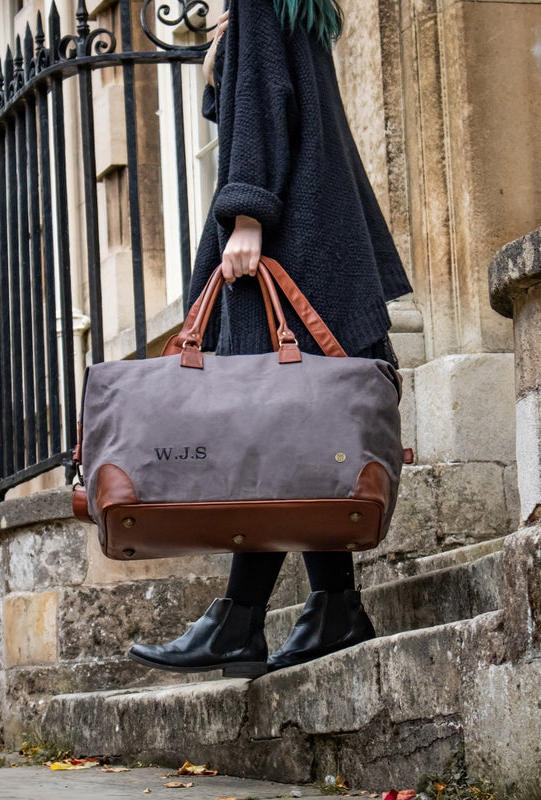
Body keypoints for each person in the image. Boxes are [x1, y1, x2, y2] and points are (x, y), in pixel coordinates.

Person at [129, 0, 412, 678]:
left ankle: (240, 620)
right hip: (322, 238)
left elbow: (262, 105)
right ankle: (331, 604)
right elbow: (266, 96)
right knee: (305, 435)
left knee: (272, 434)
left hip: (287, 242)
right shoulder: (293, 8)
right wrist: (213, 71)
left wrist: (247, 215)